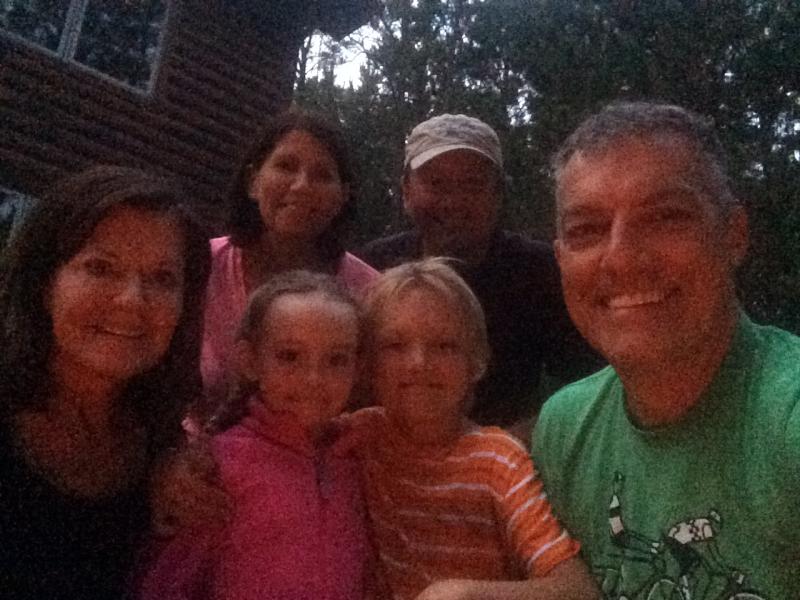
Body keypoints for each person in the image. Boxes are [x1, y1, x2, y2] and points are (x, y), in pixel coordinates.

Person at [531, 102, 799, 599]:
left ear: (733, 235)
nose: (621, 257)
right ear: (561, 258)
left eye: (665, 218)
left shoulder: (786, 420)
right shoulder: (565, 428)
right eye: (586, 229)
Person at [0, 165, 212, 600]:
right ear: (45, 284)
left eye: (162, 278)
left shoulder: (163, 451)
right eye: (101, 268)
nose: (132, 300)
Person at [342, 259, 598, 600]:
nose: (419, 363)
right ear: (368, 364)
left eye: (444, 346)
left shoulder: (497, 461)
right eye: (395, 346)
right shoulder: (360, 435)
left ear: (477, 361)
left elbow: (577, 589)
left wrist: (467, 594)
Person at [357, 113, 599, 433]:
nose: (453, 201)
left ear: (497, 193)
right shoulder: (371, 267)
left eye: (472, 184)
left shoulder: (541, 272)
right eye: (436, 183)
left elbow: (592, 385)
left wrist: (497, 447)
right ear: (406, 191)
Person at [139, 271, 370, 600]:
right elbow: (171, 582)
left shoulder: (361, 455)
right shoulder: (217, 468)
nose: (314, 378)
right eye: (289, 356)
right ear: (250, 361)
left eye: (336, 360)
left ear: (357, 368)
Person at [201, 109, 377, 418]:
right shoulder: (201, 265)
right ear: (253, 181)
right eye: (286, 166)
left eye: (322, 175)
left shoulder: (371, 293)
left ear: (343, 196)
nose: (301, 186)